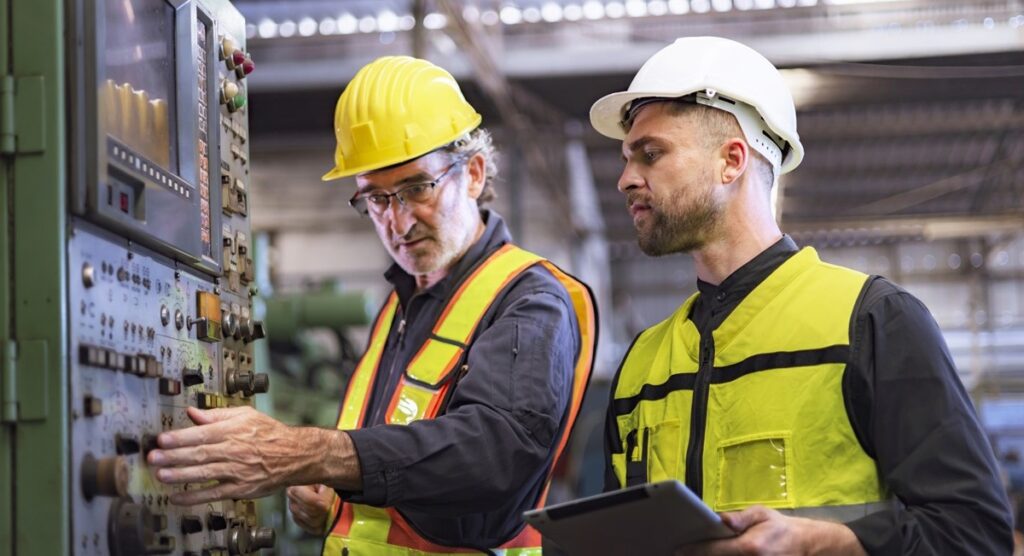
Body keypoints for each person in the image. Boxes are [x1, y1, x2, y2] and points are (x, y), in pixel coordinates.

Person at [149, 56, 597, 554]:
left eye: (416, 188)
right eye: (376, 200)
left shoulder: (529, 300)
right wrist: (339, 506)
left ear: (472, 173)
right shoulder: (402, 305)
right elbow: (403, 477)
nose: (398, 223)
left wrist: (307, 453)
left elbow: (493, 453)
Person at [589, 36, 1012, 554]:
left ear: (731, 161)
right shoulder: (642, 363)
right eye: (628, 158)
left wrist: (825, 543)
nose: (626, 179)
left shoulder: (872, 321)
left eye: (650, 154)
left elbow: (975, 534)